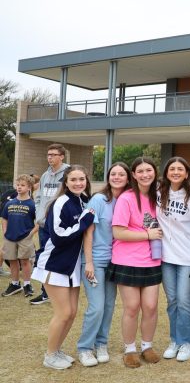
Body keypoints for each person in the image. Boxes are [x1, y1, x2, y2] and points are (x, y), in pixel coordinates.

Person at [31, 165, 95, 369]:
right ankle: (49, 356)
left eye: (81, 179)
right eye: (73, 179)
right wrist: (84, 222)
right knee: (63, 312)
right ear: (65, 182)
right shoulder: (60, 202)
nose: (78, 183)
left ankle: (57, 350)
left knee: (72, 312)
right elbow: (59, 237)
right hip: (54, 264)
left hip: (72, 267)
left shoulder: (83, 201)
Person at [106, 157, 163, 368]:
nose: (145, 174)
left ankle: (147, 346)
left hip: (152, 260)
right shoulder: (127, 198)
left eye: (149, 170)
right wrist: (147, 235)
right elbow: (118, 232)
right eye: (140, 171)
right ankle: (130, 348)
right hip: (127, 260)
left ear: (155, 173)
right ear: (134, 175)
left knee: (150, 306)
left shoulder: (159, 197)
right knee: (132, 307)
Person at [77, 162, 131, 367]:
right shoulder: (99, 199)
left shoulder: (126, 200)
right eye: (113, 174)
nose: (116, 177)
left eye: (121, 174)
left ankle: (101, 344)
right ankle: (84, 347)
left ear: (128, 178)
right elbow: (88, 231)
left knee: (108, 306)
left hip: (116, 260)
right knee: (97, 306)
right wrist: (88, 262)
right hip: (95, 261)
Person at [157, 157, 190, 362]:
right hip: (166, 256)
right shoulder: (158, 194)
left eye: (180, 169)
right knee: (172, 301)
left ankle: (186, 343)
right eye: (172, 168)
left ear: (186, 173)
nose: (175, 172)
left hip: (187, 256)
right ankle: (174, 340)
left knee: (184, 301)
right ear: (166, 172)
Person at [31, 143, 70, 305]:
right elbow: (38, 195)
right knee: (44, 256)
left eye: (54, 154)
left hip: (59, 224)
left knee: (58, 255)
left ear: (61, 156)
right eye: (48, 155)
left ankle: (59, 288)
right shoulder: (45, 175)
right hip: (44, 224)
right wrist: (39, 213)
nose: (50, 157)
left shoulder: (68, 172)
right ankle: (45, 291)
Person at [1, 174, 38, 297]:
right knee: (12, 261)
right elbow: (4, 218)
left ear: (29, 187)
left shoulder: (32, 204)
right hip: (10, 237)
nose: (19, 187)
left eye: (22, 185)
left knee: (25, 261)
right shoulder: (10, 203)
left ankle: (27, 284)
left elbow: (38, 222)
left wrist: (30, 234)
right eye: (18, 185)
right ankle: (15, 284)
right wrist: (5, 231)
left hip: (24, 237)